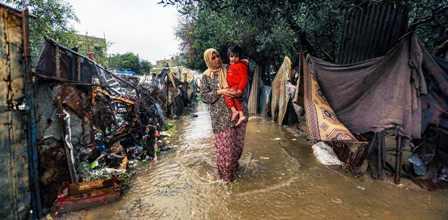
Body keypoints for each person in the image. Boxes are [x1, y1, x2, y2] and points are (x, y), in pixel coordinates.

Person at [200, 48, 247, 182]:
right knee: (225, 153)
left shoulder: (229, 68)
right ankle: (225, 181)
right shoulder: (206, 76)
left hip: (238, 115)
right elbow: (204, 97)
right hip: (220, 119)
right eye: (213, 58)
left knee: (237, 149)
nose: (217, 59)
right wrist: (220, 91)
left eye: (218, 56)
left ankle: (235, 176)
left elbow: (242, 77)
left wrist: (238, 91)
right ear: (208, 60)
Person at [223, 45, 249, 126]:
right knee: (236, 100)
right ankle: (241, 115)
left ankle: (234, 111)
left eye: (236, 56)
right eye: (231, 56)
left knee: (226, 95)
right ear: (228, 57)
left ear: (240, 57)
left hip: (236, 86)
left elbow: (244, 78)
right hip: (233, 87)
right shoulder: (231, 65)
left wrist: (240, 89)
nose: (233, 58)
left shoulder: (241, 65)